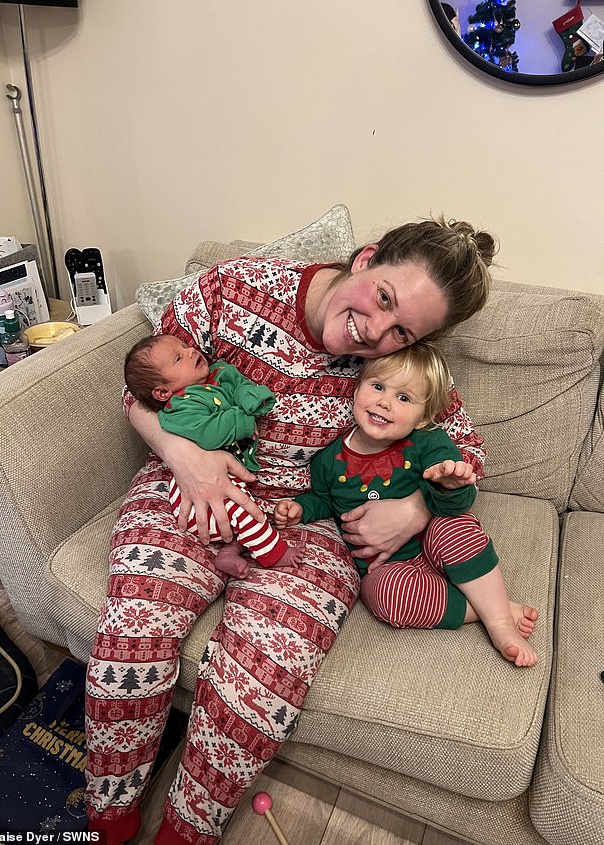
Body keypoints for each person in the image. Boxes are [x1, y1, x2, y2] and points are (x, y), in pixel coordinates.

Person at [85, 216, 497, 845]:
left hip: (315, 521)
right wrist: (185, 460)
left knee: (257, 681)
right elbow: (142, 388)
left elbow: (464, 451)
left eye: (402, 331)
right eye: (383, 298)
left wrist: (415, 507)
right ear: (364, 261)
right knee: (133, 632)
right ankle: (109, 815)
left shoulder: (403, 369)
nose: (374, 333)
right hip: (195, 483)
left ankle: (185, 832)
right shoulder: (235, 288)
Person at [274, 343, 538, 667]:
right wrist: (301, 508)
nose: (385, 402)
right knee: (380, 595)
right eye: (378, 386)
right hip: (386, 568)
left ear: (423, 416)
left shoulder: (428, 442)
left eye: (403, 398)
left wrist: (449, 482)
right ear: (357, 389)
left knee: (457, 526)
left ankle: (499, 625)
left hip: (433, 540)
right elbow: (326, 500)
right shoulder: (328, 460)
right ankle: (490, 608)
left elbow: (460, 503)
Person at [123, 333, 305, 576]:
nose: (191, 351)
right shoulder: (180, 407)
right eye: (178, 358)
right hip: (194, 492)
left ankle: (230, 552)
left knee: (243, 510)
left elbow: (239, 386)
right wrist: (245, 418)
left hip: (229, 479)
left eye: (186, 346)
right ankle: (274, 554)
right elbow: (209, 434)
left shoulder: (218, 374)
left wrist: (252, 398)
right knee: (247, 511)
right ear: (162, 392)